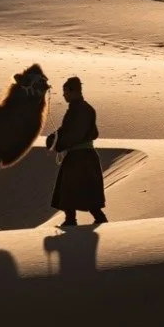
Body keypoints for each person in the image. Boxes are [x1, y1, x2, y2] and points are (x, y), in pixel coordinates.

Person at [45, 76, 108, 228]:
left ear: (73, 91)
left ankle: (78, 220)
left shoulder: (81, 110)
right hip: (80, 156)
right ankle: (74, 219)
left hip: (82, 156)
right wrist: (54, 138)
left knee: (72, 187)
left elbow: (75, 133)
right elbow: (66, 130)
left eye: (65, 91)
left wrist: (59, 143)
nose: (64, 95)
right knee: (75, 188)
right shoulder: (77, 109)